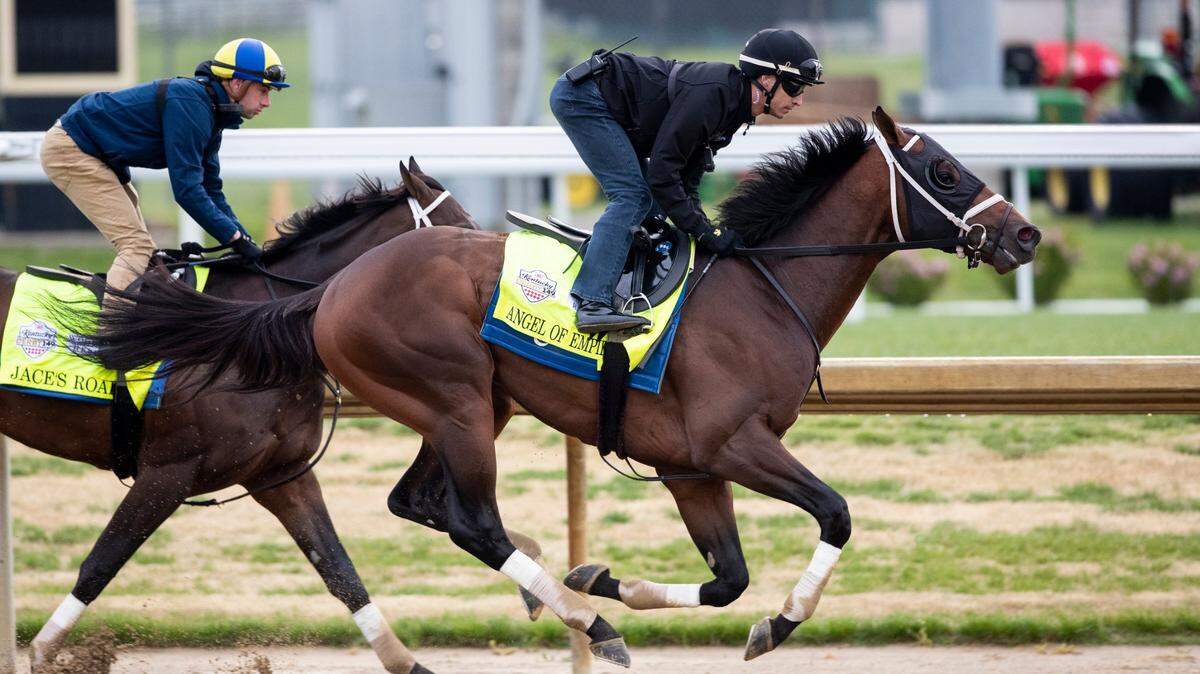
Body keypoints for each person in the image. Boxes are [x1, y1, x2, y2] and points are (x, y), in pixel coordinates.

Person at [549, 29, 823, 333]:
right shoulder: (714, 96)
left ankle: (616, 275)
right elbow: (663, 174)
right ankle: (592, 302)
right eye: (796, 86)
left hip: (609, 100)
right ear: (767, 80)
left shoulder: (733, 109)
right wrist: (705, 233)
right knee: (634, 197)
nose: (799, 100)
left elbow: (684, 181)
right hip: (584, 97)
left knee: (653, 206)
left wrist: (709, 230)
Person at [40, 37, 289, 302]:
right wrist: (233, 238)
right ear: (238, 83)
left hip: (93, 152)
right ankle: (110, 340)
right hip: (72, 148)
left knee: (146, 253)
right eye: (264, 91)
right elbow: (187, 191)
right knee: (135, 248)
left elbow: (211, 189)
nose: (267, 102)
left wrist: (243, 238)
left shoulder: (212, 111)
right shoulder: (193, 105)